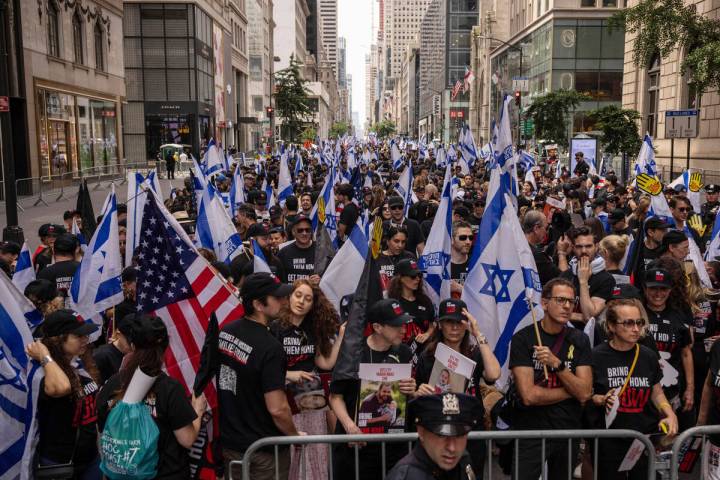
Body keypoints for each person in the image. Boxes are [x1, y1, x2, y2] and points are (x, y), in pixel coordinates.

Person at [214, 272, 301, 480]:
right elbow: (278, 409)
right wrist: (294, 436)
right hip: (264, 453)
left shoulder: (226, 332)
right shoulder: (271, 348)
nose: (283, 301)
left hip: (232, 447)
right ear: (258, 304)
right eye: (276, 297)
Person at [96, 314, 206, 478]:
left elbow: (102, 426)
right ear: (165, 348)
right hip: (165, 473)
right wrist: (198, 411)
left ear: (132, 346)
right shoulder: (170, 388)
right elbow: (187, 439)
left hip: (123, 473)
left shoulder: (112, 383)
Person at [509, 278, 593, 480]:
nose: (567, 306)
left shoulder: (579, 339)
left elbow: (585, 393)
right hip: (530, 432)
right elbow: (529, 395)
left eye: (571, 302)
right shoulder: (524, 338)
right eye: (560, 300)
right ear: (545, 304)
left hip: (567, 431)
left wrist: (558, 365)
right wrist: (572, 391)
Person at [329, 298, 416, 480]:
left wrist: (412, 389)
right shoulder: (352, 354)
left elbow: (409, 394)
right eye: (396, 325)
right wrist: (349, 426)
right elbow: (335, 397)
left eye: (404, 324)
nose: (403, 330)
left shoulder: (405, 352)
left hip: (394, 449)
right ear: (377, 327)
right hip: (357, 449)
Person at [590, 299, 679, 478]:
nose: (636, 329)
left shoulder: (648, 356)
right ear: (611, 326)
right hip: (609, 441)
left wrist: (669, 412)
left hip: (642, 439)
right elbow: (586, 394)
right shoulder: (596, 356)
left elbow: (656, 392)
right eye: (628, 323)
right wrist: (599, 399)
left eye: (639, 322)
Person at [414, 299, 501, 476]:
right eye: (448, 322)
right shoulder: (428, 356)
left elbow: (493, 374)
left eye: (459, 322)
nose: (454, 328)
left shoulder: (475, 352)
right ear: (440, 325)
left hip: (470, 430)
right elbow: (416, 394)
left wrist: (478, 334)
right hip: (440, 432)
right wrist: (418, 391)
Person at [27, 309, 102, 479]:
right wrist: (44, 354)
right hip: (59, 465)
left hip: (90, 460)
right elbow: (62, 388)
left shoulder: (79, 364)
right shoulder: (45, 372)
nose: (85, 340)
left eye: (86, 335)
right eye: (78, 336)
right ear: (58, 340)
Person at [642, 267, 695, 431]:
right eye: (653, 288)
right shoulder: (636, 315)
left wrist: (690, 388)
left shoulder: (679, 317)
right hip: (641, 392)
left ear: (670, 290)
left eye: (663, 288)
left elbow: (686, 353)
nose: (658, 293)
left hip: (671, 390)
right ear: (644, 288)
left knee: (667, 438)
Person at [386, 393, 483, 480]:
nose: (452, 447)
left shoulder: (463, 461)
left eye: (460, 435)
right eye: (441, 435)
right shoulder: (405, 476)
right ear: (421, 432)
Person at [559, 226, 616, 325]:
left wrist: (583, 281)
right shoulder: (566, 275)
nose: (584, 251)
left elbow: (588, 315)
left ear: (596, 246)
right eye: (579, 247)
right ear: (573, 248)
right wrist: (579, 317)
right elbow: (553, 311)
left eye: (588, 246)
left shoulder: (606, 279)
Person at [37, 233, 80, 303]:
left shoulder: (44, 273)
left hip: (54, 312)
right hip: (82, 313)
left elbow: (40, 299)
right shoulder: (85, 269)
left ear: (53, 250)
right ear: (76, 250)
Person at [277, 215, 319, 284]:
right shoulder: (283, 253)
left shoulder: (320, 251)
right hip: (291, 293)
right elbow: (278, 281)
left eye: (307, 230)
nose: (304, 233)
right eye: (300, 230)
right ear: (293, 232)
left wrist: (321, 280)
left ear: (311, 232)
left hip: (314, 293)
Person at [523, 210, 560, 286]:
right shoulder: (537, 256)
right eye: (546, 228)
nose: (547, 232)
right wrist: (562, 253)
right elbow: (562, 279)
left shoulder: (514, 246)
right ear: (536, 228)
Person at [449, 221, 473, 296]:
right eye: (463, 238)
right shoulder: (442, 266)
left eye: (471, 238)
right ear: (452, 239)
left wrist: (459, 288)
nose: (468, 242)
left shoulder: (476, 264)